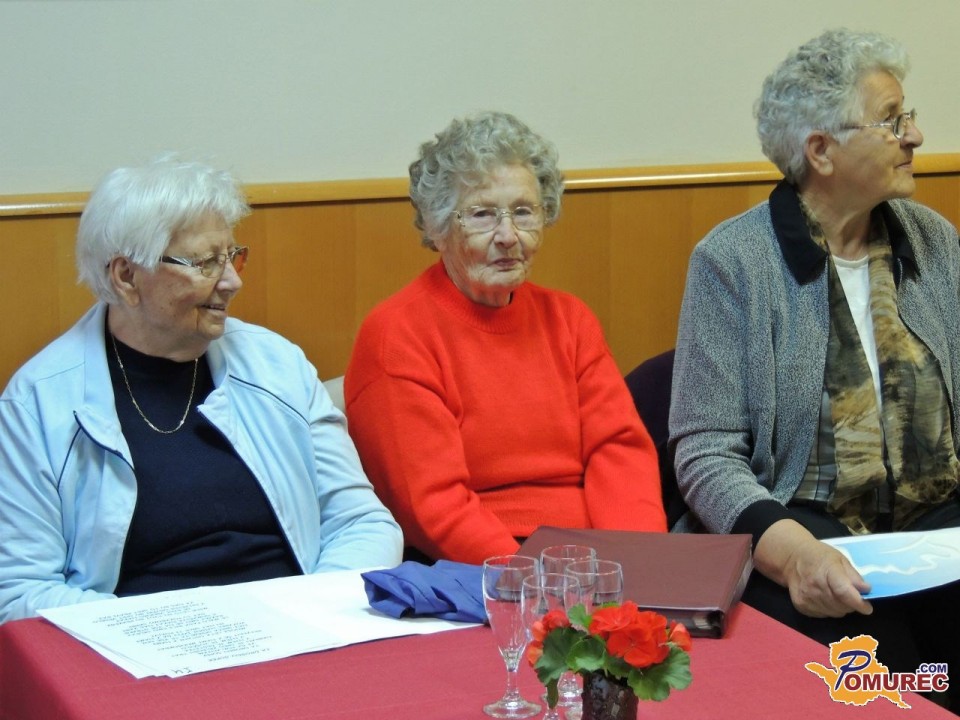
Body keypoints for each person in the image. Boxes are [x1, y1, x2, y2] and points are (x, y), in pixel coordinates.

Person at [671, 28, 959, 708]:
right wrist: (795, 554)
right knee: (887, 674)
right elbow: (705, 454)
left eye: (908, 117)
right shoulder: (732, 262)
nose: (915, 136)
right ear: (821, 151)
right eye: (892, 121)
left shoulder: (935, 241)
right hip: (802, 530)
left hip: (935, 528)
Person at [0, 156, 402, 623]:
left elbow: (362, 523)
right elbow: (21, 591)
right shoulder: (37, 404)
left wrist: (309, 614)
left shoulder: (277, 365)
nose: (232, 281)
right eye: (206, 263)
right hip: (137, 646)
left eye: (232, 256)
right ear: (126, 276)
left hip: (301, 626)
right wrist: (171, 632)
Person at [345, 111, 666, 565]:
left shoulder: (569, 319)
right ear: (438, 227)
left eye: (523, 212)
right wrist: (529, 582)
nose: (508, 236)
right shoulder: (397, 334)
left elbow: (619, 451)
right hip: (486, 566)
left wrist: (636, 564)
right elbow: (431, 505)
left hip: (596, 557)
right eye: (482, 215)